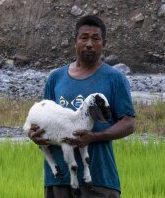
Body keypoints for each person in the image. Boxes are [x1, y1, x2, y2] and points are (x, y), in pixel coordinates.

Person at [28, 15, 136, 198]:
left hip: (98, 178)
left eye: (95, 38)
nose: (89, 43)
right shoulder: (56, 78)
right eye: (84, 37)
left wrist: (94, 137)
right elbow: (42, 119)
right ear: (75, 41)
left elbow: (128, 123)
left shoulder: (114, 78)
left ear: (104, 43)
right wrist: (33, 135)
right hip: (59, 180)